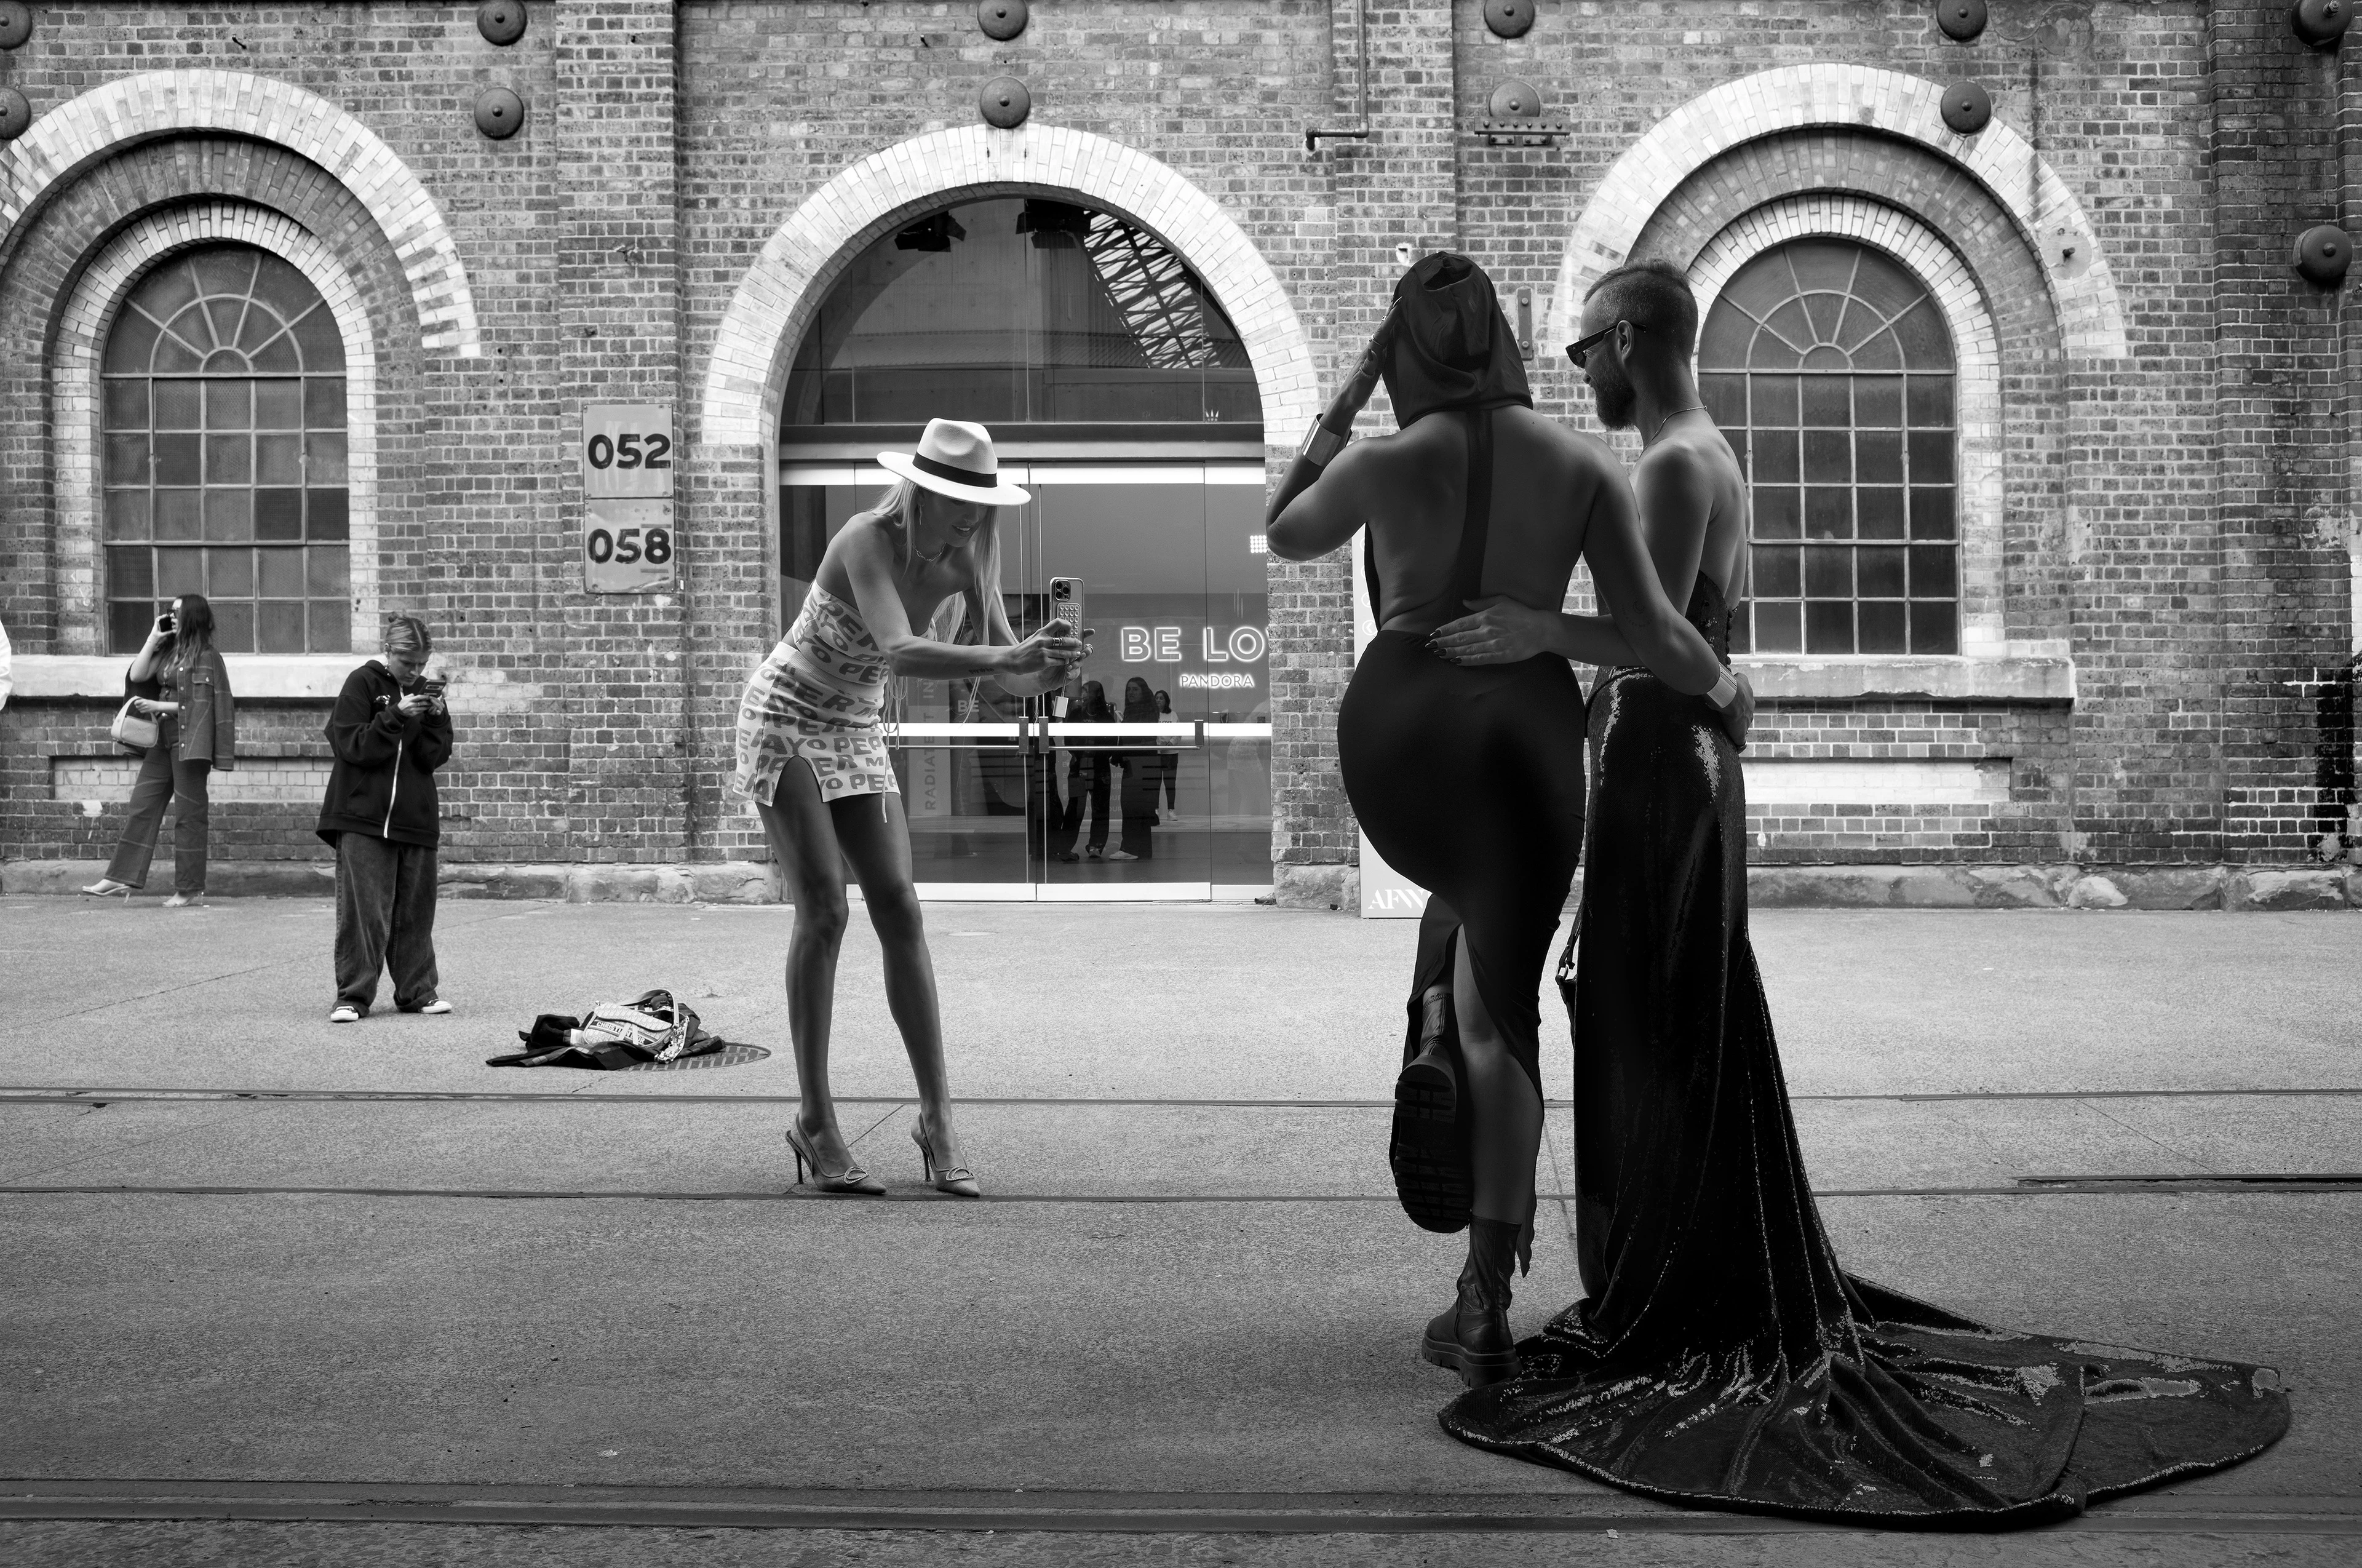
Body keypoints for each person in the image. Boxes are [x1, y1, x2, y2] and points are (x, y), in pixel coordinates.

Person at [1423, 259, 2289, 1525]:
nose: (1579, 374)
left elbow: (1669, 644)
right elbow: (1720, 648)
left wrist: (1531, 629)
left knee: (1646, 1030)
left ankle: (1664, 1303)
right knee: (1672, 1023)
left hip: (1661, 767)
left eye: (1581, 352)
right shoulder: (1713, 457)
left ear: (1627, 336)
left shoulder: (1668, 465)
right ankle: (1663, 1281)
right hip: (1685, 761)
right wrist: (1705, 690)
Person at [1266, 253, 1749, 1393]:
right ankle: (1487, 1297)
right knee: (1509, 995)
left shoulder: (1387, 459)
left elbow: (1285, 530)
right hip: (1525, 743)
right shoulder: (1582, 464)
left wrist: (1346, 399)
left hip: (1398, 735)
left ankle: (1431, 1006)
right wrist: (1725, 691)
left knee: (1454, 884)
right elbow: (1655, 635)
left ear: (1407, 356)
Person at [734, 418, 1080, 1196]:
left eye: (979, 508)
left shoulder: (972, 552)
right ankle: (817, 1118)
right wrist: (1008, 654)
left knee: (900, 904)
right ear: (918, 492)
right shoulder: (865, 537)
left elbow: (996, 683)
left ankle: (937, 1115)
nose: (968, 521)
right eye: (956, 505)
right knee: (824, 906)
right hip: (786, 712)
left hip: (855, 720)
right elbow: (898, 648)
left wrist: (1046, 670)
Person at [316, 613, 455, 1023]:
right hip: (362, 816)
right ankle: (353, 996)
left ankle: (417, 992)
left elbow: (433, 757)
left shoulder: (421, 692)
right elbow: (351, 745)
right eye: (407, 663)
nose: (414, 672)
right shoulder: (362, 683)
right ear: (389, 651)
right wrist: (395, 713)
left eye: (421, 665)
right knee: (364, 912)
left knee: (416, 910)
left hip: (415, 817)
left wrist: (435, 717)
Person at [83, 594, 236, 905]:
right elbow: (138, 675)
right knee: (142, 805)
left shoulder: (208, 657)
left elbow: (201, 705)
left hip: (190, 741)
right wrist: (154, 637)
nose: (171, 616)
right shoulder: (168, 651)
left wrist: (158, 704)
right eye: (169, 611)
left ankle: (188, 889)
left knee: (189, 816)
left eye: (177, 612)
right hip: (162, 739)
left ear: (192, 617)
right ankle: (119, 877)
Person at [1051, 678, 1113, 862]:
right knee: (1074, 809)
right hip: (1078, 768)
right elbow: (1069, 741)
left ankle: (1096, 846)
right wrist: (1080, 754)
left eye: (1088, 691)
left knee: (1100, 809)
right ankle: (1065, 848)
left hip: (1101, 770)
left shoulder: (1107, 717)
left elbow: (1111, 742)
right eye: (1083, 691)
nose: (1084, 694)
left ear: (1098, 694)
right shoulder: (1076, 714)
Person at [1111, 675, 1161, 861]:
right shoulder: (1134, 711)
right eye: (1129, 689)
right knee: (1136, 809)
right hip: (1137, 764)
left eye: (1135, 689)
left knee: (1133, 808)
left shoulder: (1146, 713)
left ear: (1143, 692)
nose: (1131, 693)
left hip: (1141, 765)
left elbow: (1139, 740)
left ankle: (1131, 849)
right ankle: (1142, 850)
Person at [1153, 688, 1179, 815]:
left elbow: (1178, 733)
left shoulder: (1173, 715)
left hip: (1171, 754)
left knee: (1170, 783)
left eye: (1161, 698)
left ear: (1166, 701)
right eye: (1157, 698)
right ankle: (1155, 810)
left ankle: (1171, 810)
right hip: (1156, 753)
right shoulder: (1151, 715)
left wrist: (1170, 744)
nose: (1158, 700)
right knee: (1155, 783)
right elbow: (1149, 733)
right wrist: (1158, 745)